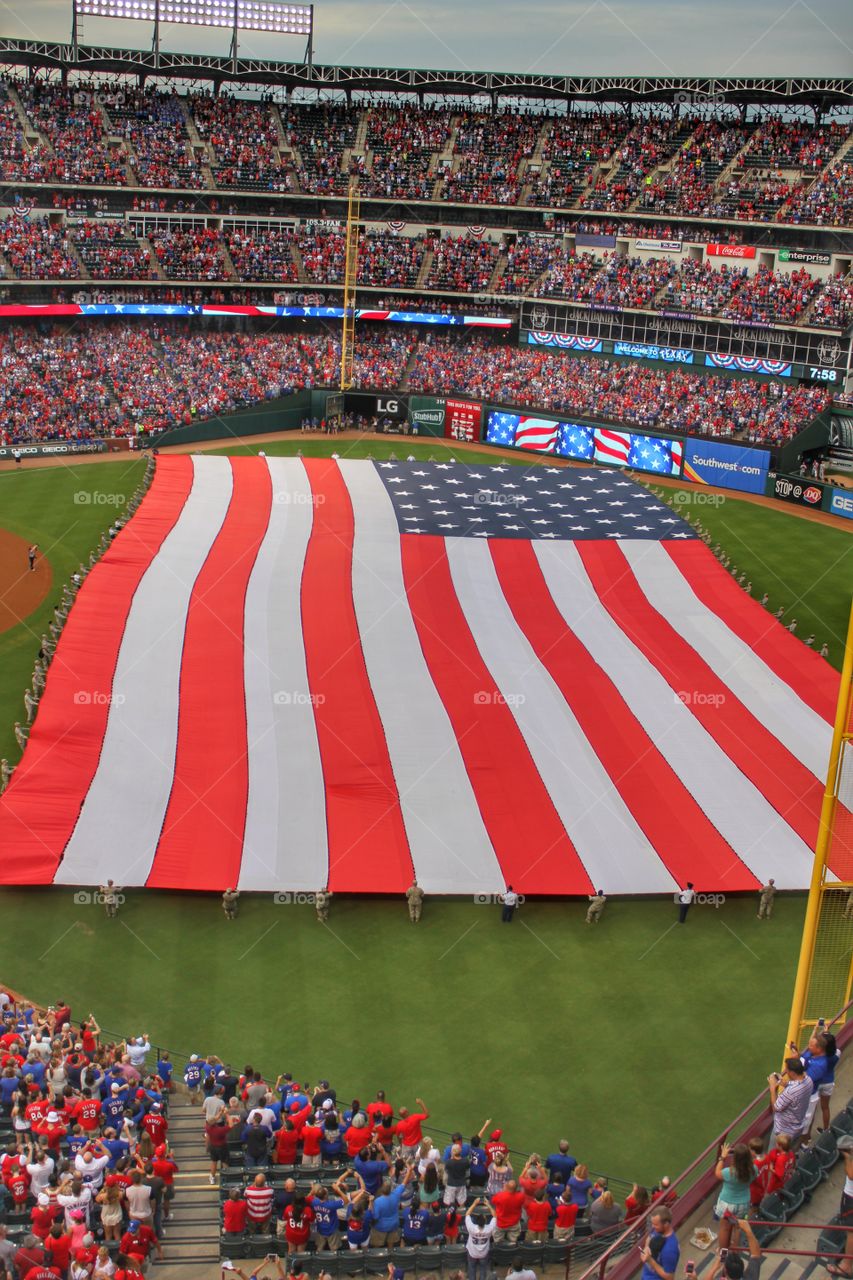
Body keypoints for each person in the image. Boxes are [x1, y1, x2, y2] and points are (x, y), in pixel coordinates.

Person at [768, 1058, 812, 1145]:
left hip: (783, 1133)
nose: (786, 1072)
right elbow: (797, 1086)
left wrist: (772, 1088)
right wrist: (785, 1083)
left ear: (792, 1073)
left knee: (774, 1155)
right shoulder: (808, 1080)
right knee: (789, 1152)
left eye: (787, 1070)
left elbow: (776, 1108)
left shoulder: (790, 1092)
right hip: (797, 1127)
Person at [639, 1205, 679, 1280]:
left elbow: (670, 1277)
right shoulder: (659, 1230)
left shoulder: (671, 1249)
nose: (653, 1227)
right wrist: (647, 1247)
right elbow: (650, 1237)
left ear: (666, 1224)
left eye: (656, 1224)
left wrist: (650, 1260)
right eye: (652, 1224)